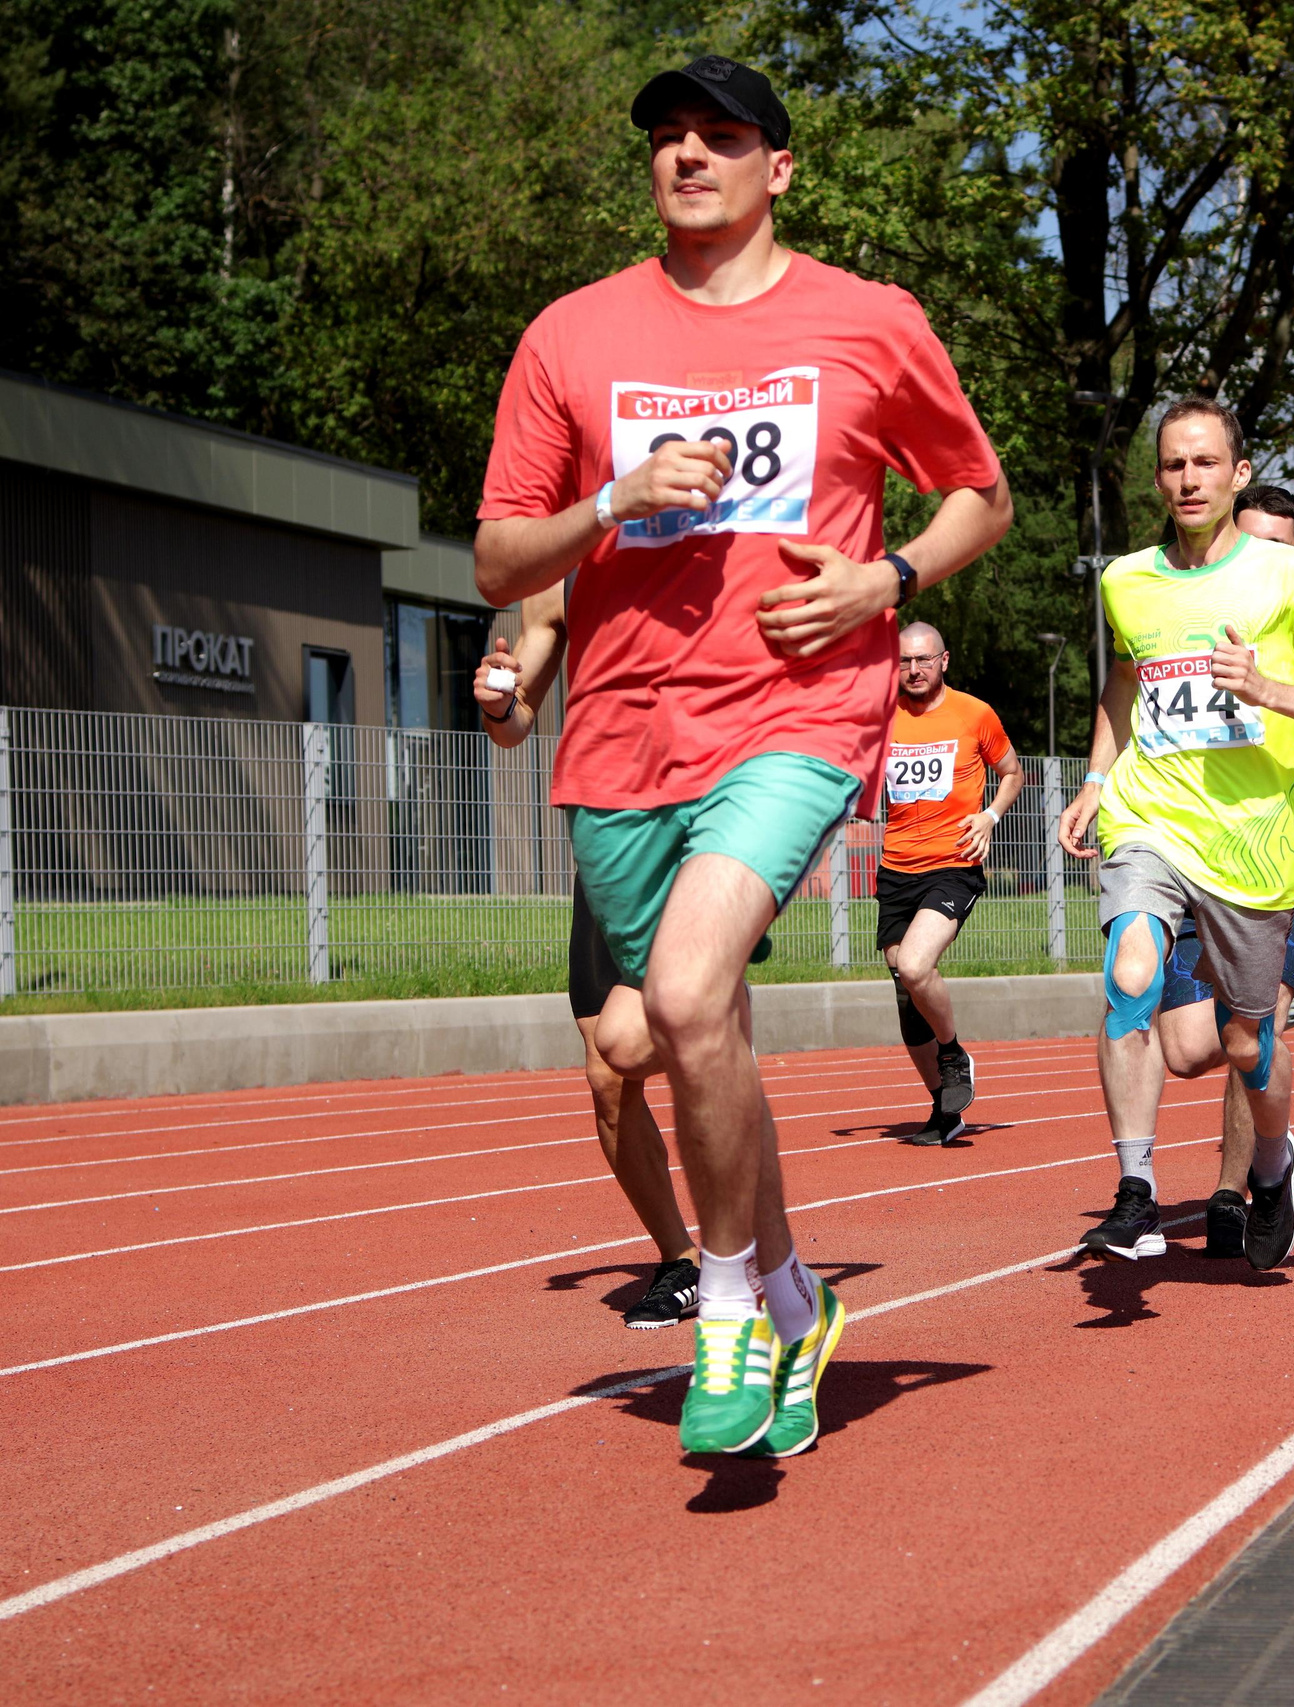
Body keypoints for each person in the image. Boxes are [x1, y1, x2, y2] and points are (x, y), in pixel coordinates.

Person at [472, 56, 1012, 1458]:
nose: (689, 156)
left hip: (792, 709)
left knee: (694, 987)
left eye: (721, 137)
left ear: (781, 167)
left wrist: (884, 581)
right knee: (681, 1034)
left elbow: (980, 493)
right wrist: (614, 498)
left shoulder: (866, 321)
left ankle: (720, 1304)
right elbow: (496, 556)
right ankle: (790, 1290)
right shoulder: (571, 337)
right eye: (668, 139)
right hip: (617, 733)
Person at [1056, 402, 1294, 1270]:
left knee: (1244, 1043)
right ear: (1157, 478)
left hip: (1252, 841)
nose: (1188, 479)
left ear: (1237, 473)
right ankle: (1135, 1191)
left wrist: (1269, 688)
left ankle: (1273, 1166)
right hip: (1149, 817)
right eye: (1172, 465)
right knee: (1130, 974)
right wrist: (1093, 782)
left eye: (1205, 463)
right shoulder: (1127, 579)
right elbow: (1124, 683)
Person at [474, 587, 702, 1328]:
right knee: (607, 1072)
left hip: (700, 821)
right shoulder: (563, 579)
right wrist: (497, 702)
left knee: (682, 1037)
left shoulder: (715, 533)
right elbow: (515, 725)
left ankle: (753, 1247)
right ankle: (679, 1262)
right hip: (609, 835)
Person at [879, 619, 1022, 1145]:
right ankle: (945, 1108)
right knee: (904, 992)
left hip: (953, 862)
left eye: (923, 660)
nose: (913, 670)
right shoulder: (881, 716)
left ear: (944, 661)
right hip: (896, 866)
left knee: (917, 967)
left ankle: (954, 1052)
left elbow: (1012, 770)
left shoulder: (974, 713)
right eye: (904, 661)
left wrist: (991, 817)